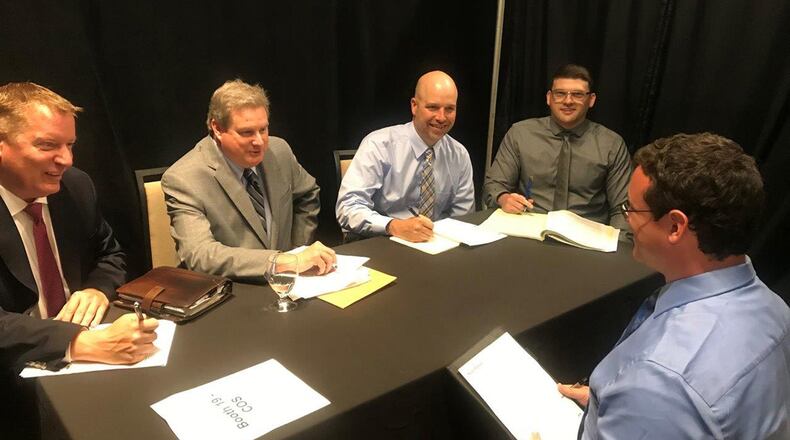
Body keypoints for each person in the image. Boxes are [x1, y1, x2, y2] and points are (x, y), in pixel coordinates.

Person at [557, 133, 790, 438]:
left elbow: (673, 396)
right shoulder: (775, 309)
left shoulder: (660, 381)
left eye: (632, 209)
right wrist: (617, 407)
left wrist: (643, 405)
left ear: (675, 227)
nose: (627, 219)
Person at [0, 82, 158, 438]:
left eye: (69, 145)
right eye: (47, 145)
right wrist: (75, 343)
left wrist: (97, 290)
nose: (66, 160)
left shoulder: (75, 186)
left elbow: (110, 252)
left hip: (85, 369)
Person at [162, 79, 335, 283]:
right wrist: (282, 261)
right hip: (229, 292)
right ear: (217, 128)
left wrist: (296, 250)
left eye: (263, 129)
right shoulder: (184, 178)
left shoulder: (279, 151)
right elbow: (200, 254)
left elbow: (307, 194)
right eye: (246, 132)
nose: (259, 142)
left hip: (288, 284)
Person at [483, 64, 630, 231]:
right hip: (529, 230)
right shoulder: (520, 134)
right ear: (549, 97)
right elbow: (494, 185)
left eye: (577, 95)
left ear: (591, 100)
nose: (568, 101)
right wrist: (504, 198)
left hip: (587, 237)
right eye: (560, 94)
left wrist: (617, 248)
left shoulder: (611, 144)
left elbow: (623, 208)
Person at [336, 70, 474, 242]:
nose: (441, 117)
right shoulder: (379, 145)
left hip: (435, 247)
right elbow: (348, 207)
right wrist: (394, 226)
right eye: (432, 107)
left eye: (449, 109)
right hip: (382, 242)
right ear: (414, 106)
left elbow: (462, 219)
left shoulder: (459, 155)